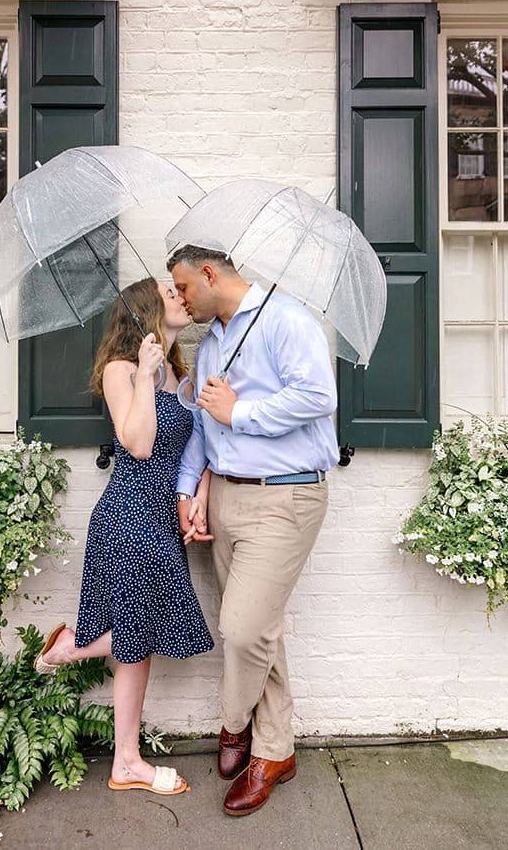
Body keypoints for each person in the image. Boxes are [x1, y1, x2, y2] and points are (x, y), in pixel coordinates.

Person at [168, 245, 338, 816]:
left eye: (184, 288)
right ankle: (277, 751)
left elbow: (319, 396)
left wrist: (239, 413)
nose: (181, 300)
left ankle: (236, 727)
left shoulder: (286, 320)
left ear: (210, 274)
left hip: (286, 494)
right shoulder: (211, 339)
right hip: (228, 498)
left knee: (241, 631)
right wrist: (188, 489)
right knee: (262, 629)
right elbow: (199, 423)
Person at [35, 277, 214, 797]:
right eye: (170, 292)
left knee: (145, 639)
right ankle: (126, 756)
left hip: (163, 516)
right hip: (129, 514)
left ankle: (123, 756)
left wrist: (197, 495)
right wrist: (144, 376)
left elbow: (196, 447)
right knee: (142, 637)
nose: (182, 297)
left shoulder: (180, 370)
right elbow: (136, 445)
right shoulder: (122, 370)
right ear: (144, 311)